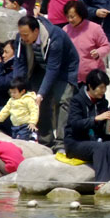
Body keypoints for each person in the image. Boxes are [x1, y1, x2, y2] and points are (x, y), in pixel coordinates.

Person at [12, 15, 80, 152]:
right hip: (38, 68)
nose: (23, 38)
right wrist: (18, 87)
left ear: (36, 31)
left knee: (63, 101)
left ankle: (62, 143)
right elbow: (19, 63)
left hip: (64, 69)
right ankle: (45, 141)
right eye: (21, 34)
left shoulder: (55, 37)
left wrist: (41, 93)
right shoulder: (21, 39)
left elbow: (53, 69)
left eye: (26, 35)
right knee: (37, 104)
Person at [62, 68, 110, 184]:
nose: (103, 91)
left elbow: (102, 128)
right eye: (101, 87)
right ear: (90, 86)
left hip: (93, 140)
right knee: (100, 147)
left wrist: (109, 128)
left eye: (105, 88)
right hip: (75, 143)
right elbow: (75, 124)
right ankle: (101, 183)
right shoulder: (77, 101)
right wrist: (95, 119)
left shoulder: (102, 102)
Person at [63, 0, 110, 84]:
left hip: (93, 77)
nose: (70, 20)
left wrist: (98, 52)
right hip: (72, 77)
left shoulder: (95, 28)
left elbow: (106, 46)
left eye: (72, 17)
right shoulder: (65, 30)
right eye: (67, 17)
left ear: (80, 14)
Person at [0, 76, 39, 140]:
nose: (12, 94)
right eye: (11, 92)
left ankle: (33, 136)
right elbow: (5, 110)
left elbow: (34, 111)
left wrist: (32, 122)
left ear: (22, 91)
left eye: (14, 92)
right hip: (15, 126)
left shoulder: (28, 99)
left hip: (25, 126)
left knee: (22, 140)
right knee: (15, 140)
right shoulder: (11, 100)